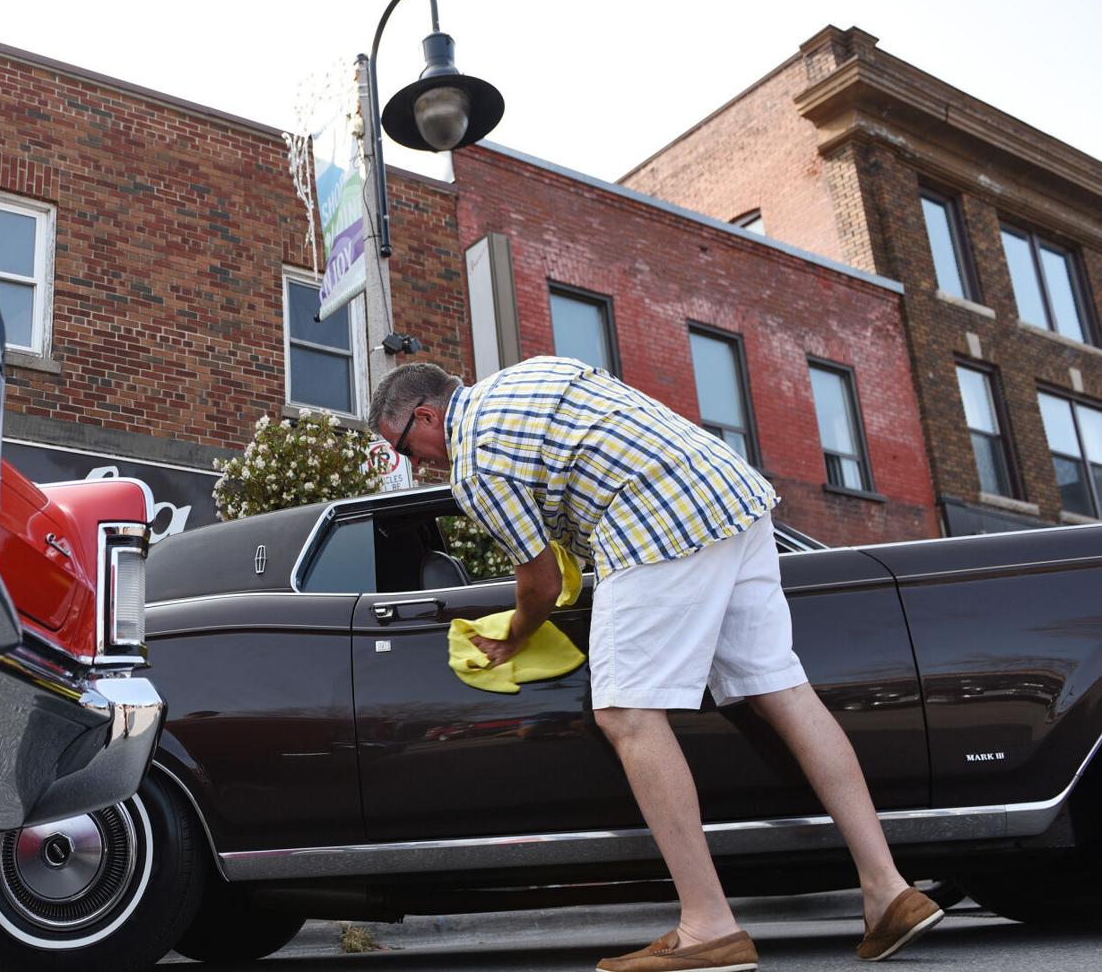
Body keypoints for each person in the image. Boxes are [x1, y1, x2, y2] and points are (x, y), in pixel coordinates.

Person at [368, 358, 942, 971]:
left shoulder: (475, 462)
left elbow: (535, 581)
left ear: (427, 415)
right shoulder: (532, 371)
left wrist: (513, 633)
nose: (418, 462)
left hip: (653, 522)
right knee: (781, 688)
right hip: (730, 492)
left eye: (406, 447)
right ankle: (887, 889)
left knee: (625, 714)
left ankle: (708, 926)